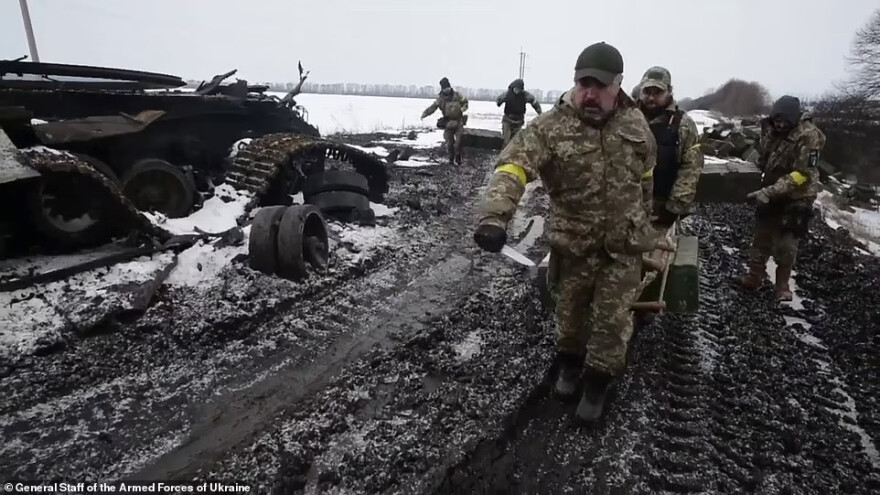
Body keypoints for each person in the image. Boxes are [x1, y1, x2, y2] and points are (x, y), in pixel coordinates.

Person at [473, 42, 665, 423]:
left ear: (619, 85)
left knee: (612, 324)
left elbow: (646, 172)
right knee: (571, 320)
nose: (590, 94)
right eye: (583, 84)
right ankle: (570, 367)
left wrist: (645, 218)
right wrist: (495, 218)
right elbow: (512, 168)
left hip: (623, 249)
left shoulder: (635, 123)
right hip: (574, 247)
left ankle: (596, 386)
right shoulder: (550, 127)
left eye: (600, 86)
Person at [741, 95, 826, 301]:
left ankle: (782, 286)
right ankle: (755, 277)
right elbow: (764, 155)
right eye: (776, 121)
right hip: (772, 186)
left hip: (798, 194)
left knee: (787, 243)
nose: (779, 125)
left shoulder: (808, 135)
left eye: (783, 121)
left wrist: (770, 191)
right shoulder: (771, 128)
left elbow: (802, 173)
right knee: (762, 234)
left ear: (793, 118)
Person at [637, 66, 704, 229]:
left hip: (661, 208)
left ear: (669, 91)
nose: (651, 98)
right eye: (647, 92)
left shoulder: (683, 124)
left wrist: (672, 209)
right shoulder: (627, 119)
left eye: (657, 92)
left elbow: (691, 169)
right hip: (627, 207)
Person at [421, 77, 469, 164]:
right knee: (449, 143)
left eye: (448, 87)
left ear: (450, 86)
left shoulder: (457, 95)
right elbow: (433, 107)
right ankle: (451, 158)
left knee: (458, 142)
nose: (447, 89)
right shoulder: (440, 99)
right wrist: (425, 114)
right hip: (448, 123)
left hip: (459, 122)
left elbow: (465, 102)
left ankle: (458, 158)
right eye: (444, 88)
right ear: (442, 89)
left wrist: (463, 109)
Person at [495, 78, 543, 146]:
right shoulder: (507, 94)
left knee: (515, 142)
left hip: (518, 121)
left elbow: (534, 103)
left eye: (519, 90)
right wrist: (499, 102)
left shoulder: (525, 95)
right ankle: (504, 154)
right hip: (507, 120)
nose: (517, 91)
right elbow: (498, 99)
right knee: (507, 141)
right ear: (513, 87)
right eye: (516, 89)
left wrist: (540, 113)